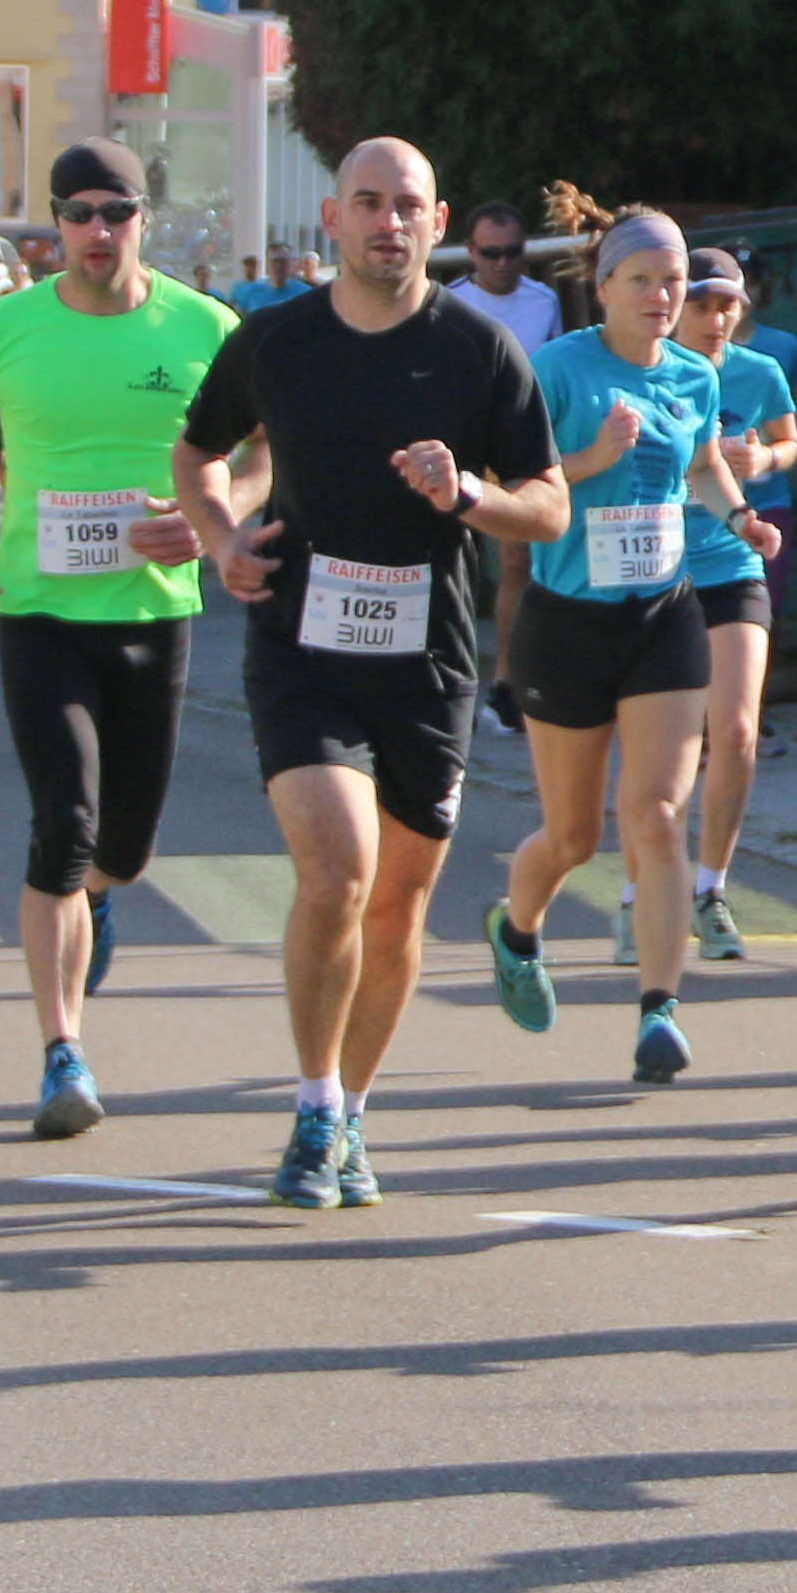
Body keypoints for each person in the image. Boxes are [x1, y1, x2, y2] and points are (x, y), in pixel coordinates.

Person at [177, 139, 566, 1211]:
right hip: (301, 651)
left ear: (437, 224)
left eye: (407, 206)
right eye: (368, 203)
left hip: (427, 663)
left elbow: (549, 504)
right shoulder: (277, 340)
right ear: (333, 220)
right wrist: (221, 538)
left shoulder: (480, 351)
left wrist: (470, 497)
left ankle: (352, 1113)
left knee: (396, 907)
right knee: (338, 873)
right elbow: (199, 451)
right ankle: (311, 1111)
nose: (388, 223)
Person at [0, 141, 234, 1145]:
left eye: (119, 212)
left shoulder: (205, 328)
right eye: (80, 214)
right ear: (53, 225)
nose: (100, 231)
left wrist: (215, 524)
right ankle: (63, 1051)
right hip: (41, 617)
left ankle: (99, 899)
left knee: (124, 850)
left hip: (154, 615)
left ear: (145, 218)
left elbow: (263, 452)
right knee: (61, 824)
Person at [477, 213, 765, 1091]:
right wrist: (591, 457)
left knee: (657, 813)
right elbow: (506, 486)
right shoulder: (557, 370)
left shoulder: (693, 374)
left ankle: (659, 1012)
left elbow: (702, 464)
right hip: (566, 624)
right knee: (572, 835)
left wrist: (738, 515)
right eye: (641, 279)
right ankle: (517, 930)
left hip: (662, 617)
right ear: (601, 287)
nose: (661, 296)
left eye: (673, 281)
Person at [672, 246, 797, 961]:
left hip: (734, 557)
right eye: (701, 304)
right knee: (673, 742)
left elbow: (791, 440)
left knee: (738, 730)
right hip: (657, 567)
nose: (716, 318)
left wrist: (764, 460)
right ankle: (644, 888)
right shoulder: (649, 371)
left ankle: (711, 887)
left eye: (727, 305)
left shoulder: (759, 371)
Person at [456, 199, 568, 721]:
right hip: (464, 443)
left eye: (513, 252)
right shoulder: (452, 302)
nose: (502, 263)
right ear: (471, 252)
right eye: (491, 253)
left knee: (518, 562)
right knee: (454, 558)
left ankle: (508, 679)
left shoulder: (543, 301)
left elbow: (555, 372)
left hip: (522, 443)